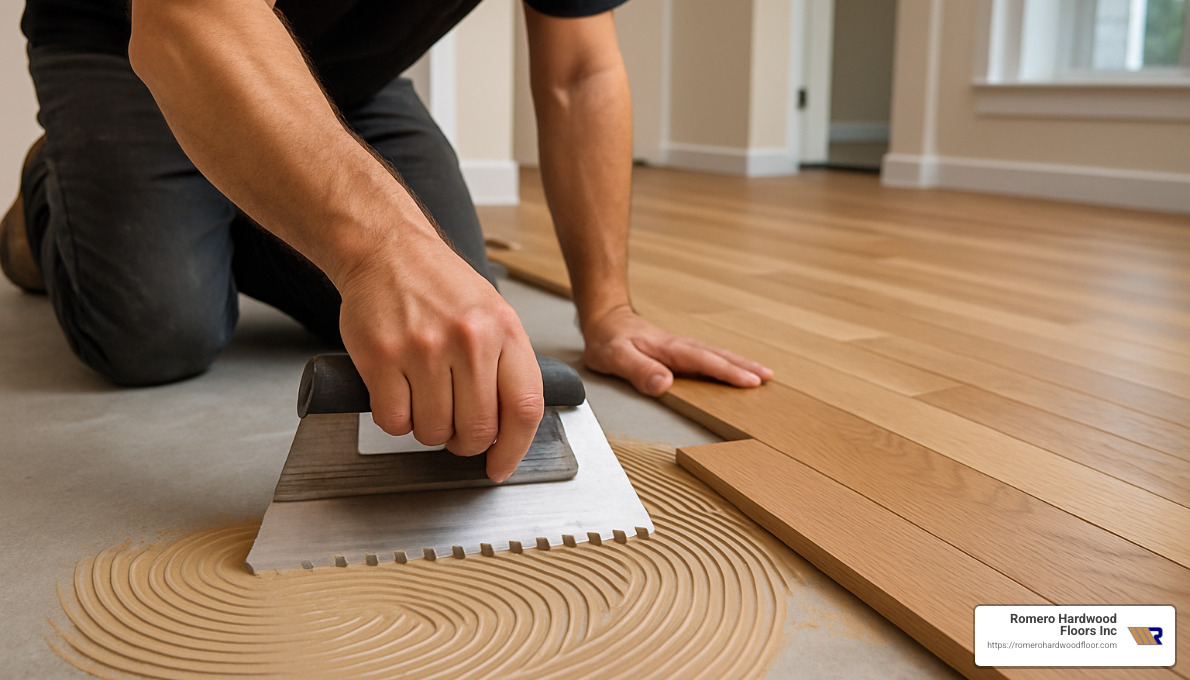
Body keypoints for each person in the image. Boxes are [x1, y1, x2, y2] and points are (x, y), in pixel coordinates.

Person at [1, 0, 772, 481]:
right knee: (158, 328)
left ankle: (218, 196)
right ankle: (53, 203)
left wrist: (606, 311)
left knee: (459, 317)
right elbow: (193, 19)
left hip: (346, 81)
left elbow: (580, 70)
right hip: (136, 40)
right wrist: (380, 250)